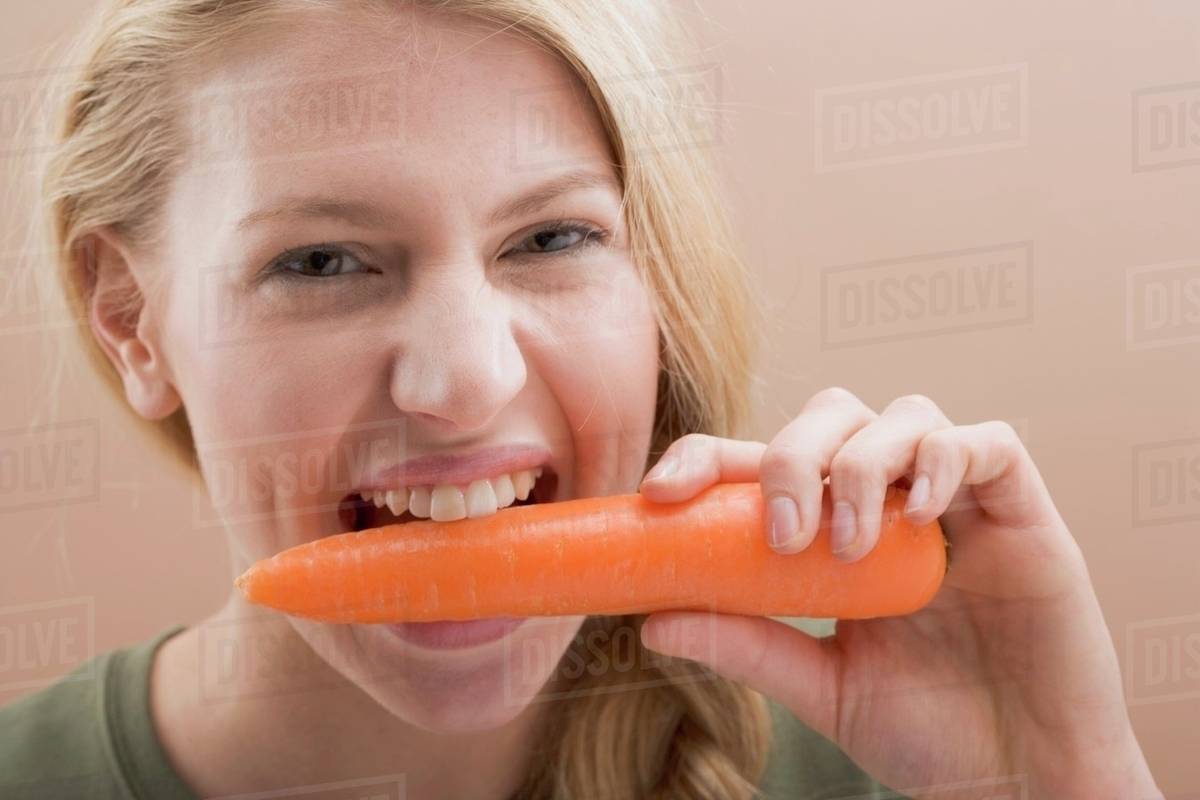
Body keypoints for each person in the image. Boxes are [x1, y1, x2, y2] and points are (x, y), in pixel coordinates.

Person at [0, 1, 1161, 798]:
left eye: (552, 236)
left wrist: (1064, 770)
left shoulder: (898, 754)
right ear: (130, 320)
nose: (464, 382)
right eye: (321, 261)